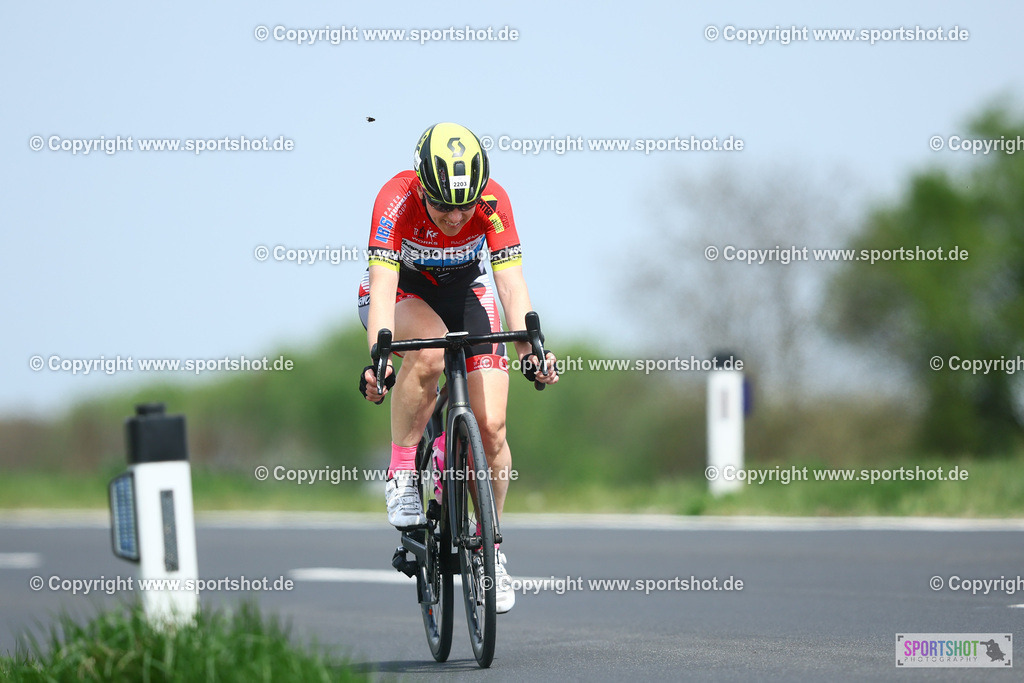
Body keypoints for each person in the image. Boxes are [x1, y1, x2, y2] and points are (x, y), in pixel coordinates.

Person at [357, 122, 558, 613]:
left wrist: (532, 351)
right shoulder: (395, 198)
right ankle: (403, 472)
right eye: (443, 205)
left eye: (464, 206)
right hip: (404, 295)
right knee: (429, 353)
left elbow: (510, 285)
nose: (454, 216)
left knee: (492, 428)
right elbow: (382, 287)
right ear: (423, 188)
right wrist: (379, 358)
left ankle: (491, 548)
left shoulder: (493, 200)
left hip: (467, 293)